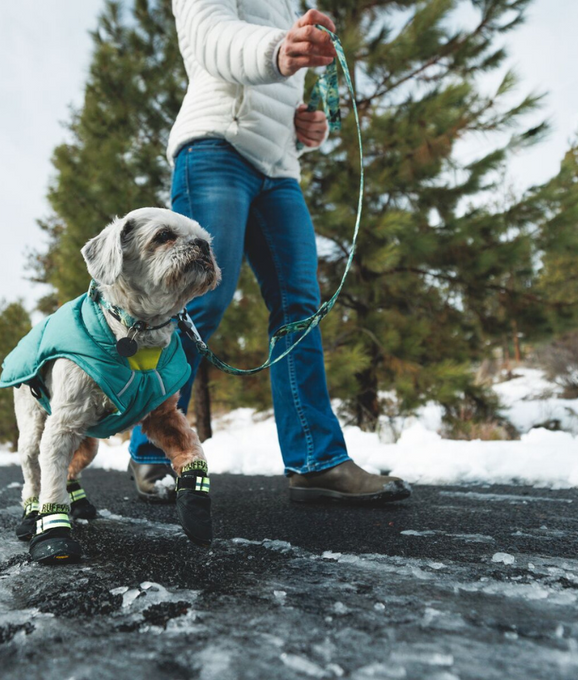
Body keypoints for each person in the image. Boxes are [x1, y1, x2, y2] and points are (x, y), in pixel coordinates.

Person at [127, 0, 412, 505]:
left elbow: (287, 99)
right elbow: (212, 36)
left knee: (301, 305)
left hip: (279, 170)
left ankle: (316, 462)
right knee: (200, 301)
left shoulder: (294, 5)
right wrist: (279, 49)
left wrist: (309, 131)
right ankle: (154, 447)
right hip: (215, 148)